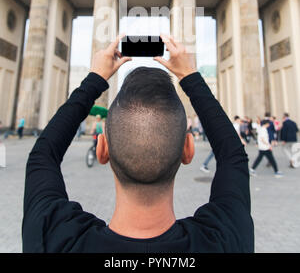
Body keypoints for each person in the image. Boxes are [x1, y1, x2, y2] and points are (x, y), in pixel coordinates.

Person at [22, 34, 254, 253]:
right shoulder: (223, 239)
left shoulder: (56, 238)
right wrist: (190, 76)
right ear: (188, 150)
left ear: (102, 150)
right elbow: (233, 156)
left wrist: (95, 79)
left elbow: (42, 156)